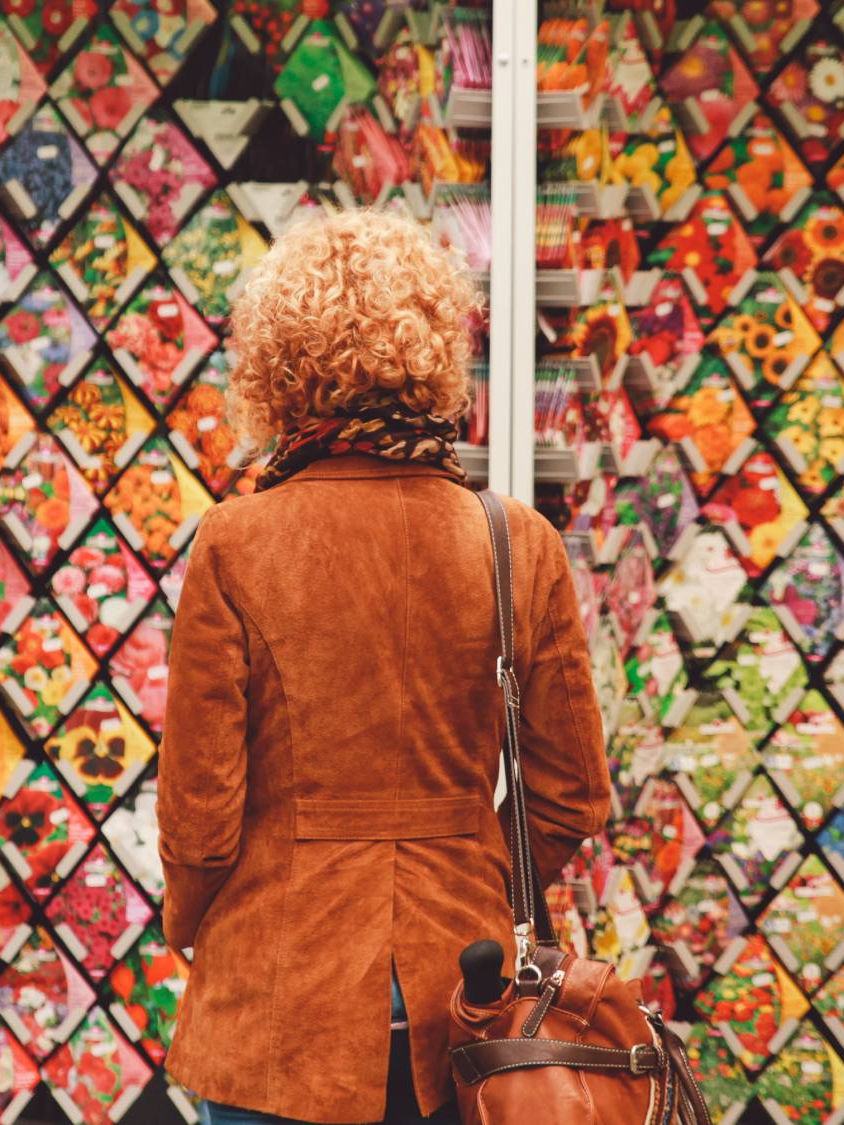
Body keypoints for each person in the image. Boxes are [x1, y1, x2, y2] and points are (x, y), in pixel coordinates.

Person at [156, 210, 611, 1125]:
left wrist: (195, 924)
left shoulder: (236, 542)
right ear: (437, 356)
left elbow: (200, 818)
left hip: (277, 999)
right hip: (467, 1002)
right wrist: (475, 871)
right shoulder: (516, 542)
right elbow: (572, 794)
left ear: (278, 367)